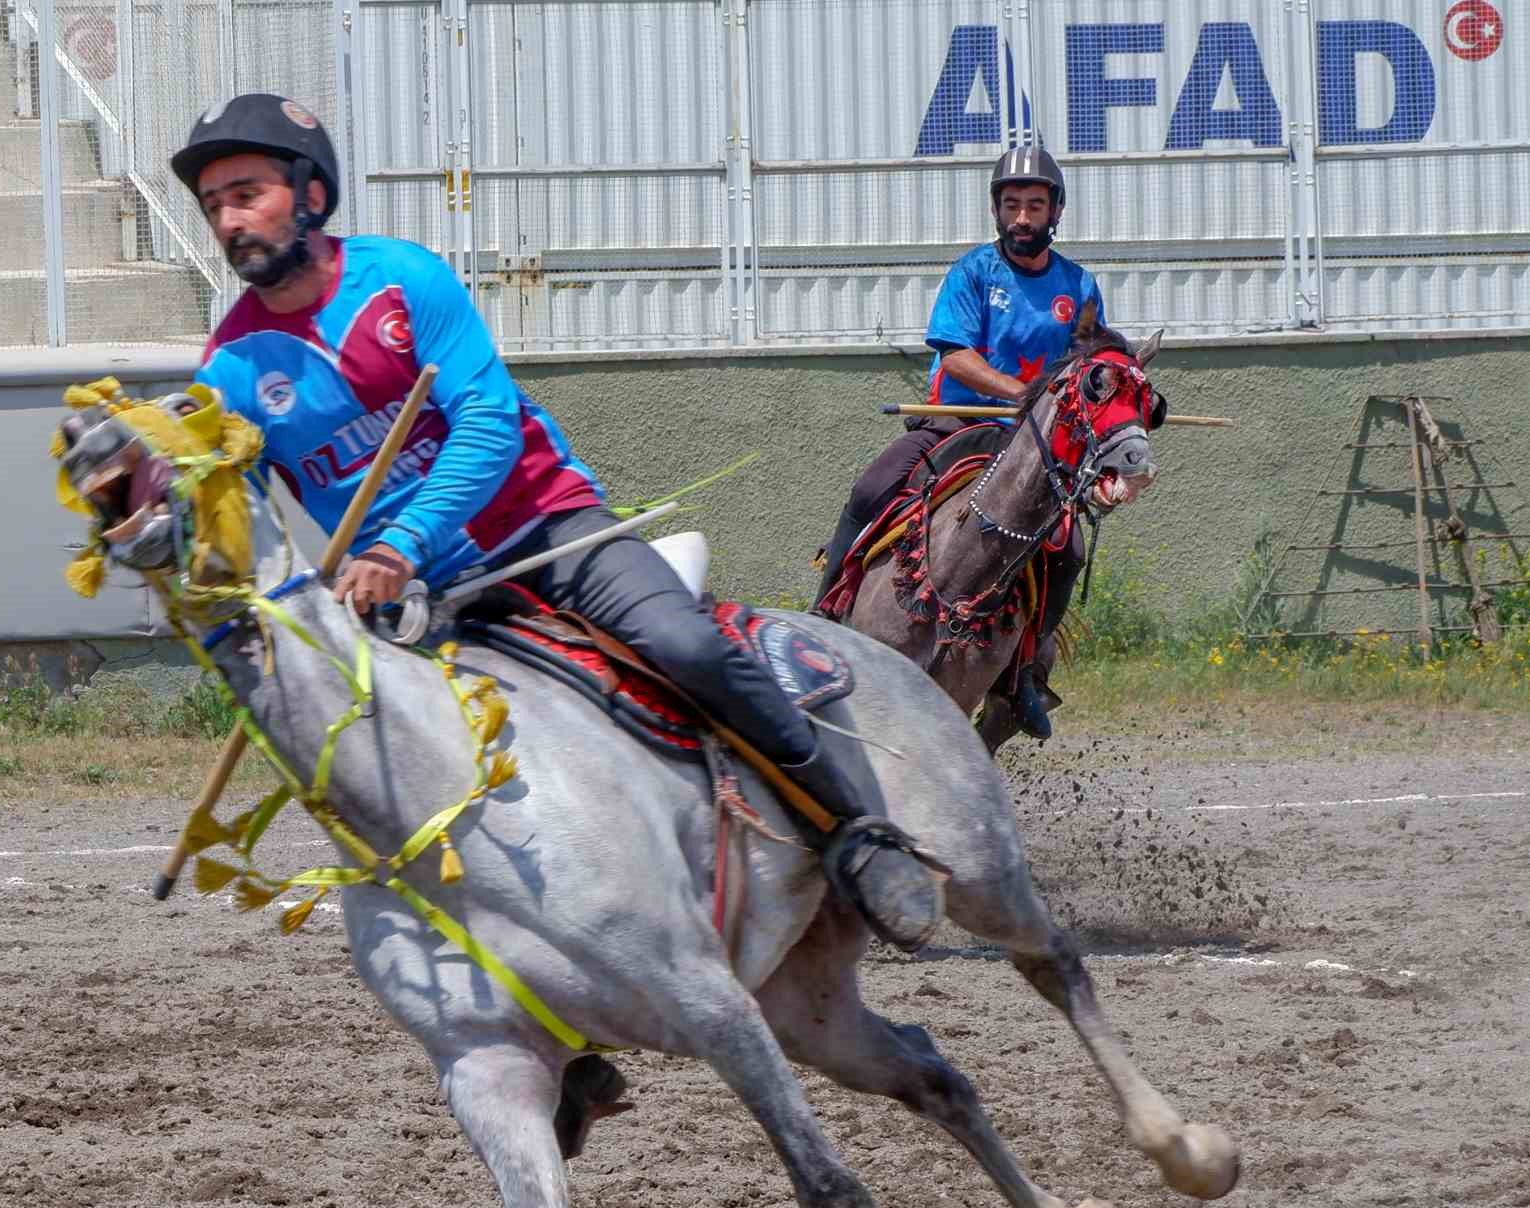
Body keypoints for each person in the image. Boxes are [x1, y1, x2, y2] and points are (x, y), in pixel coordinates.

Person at [170, 94, 941, 952]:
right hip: (419, 597)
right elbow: (219, 508)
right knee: (381, 762)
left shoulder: (404, 279)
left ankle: (856, 834)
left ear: (310, 194)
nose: (229, 219)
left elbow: (488, 427)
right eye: (213, 207)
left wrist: (397, 542)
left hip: (548, 534)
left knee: (685, 648)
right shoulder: (230, 365)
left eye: (247, 193)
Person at [813, 144, 1103, 736]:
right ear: (998, 211)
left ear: (1056, 212)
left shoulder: (1080, 285)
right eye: (1012, 205)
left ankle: (1024, 673)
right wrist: (1019, 391)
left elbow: (1087, 373)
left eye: (1035, 205)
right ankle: (825, 617)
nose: (1023, 217)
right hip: (955, 423)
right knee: (871, 488)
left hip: (1032, 446)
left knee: (1066, 550)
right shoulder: (973, 271)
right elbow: (956, 353)